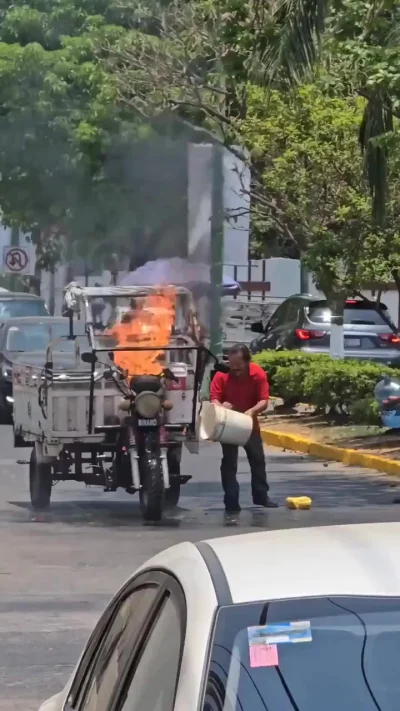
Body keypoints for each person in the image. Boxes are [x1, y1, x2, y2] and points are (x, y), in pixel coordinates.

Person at [210, 344, 278, 514]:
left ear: (248, 362)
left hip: (249, 423)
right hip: (228, 424)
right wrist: (220, 407)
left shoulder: (257, 374)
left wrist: (252, 411)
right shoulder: (221, 375)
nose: (235, 371)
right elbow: (214, 398)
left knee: (258, 460)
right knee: (229, 462)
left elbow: (263, 400)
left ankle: (261, 495)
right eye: (232, 367)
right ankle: (231, 500)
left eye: (239, 367)